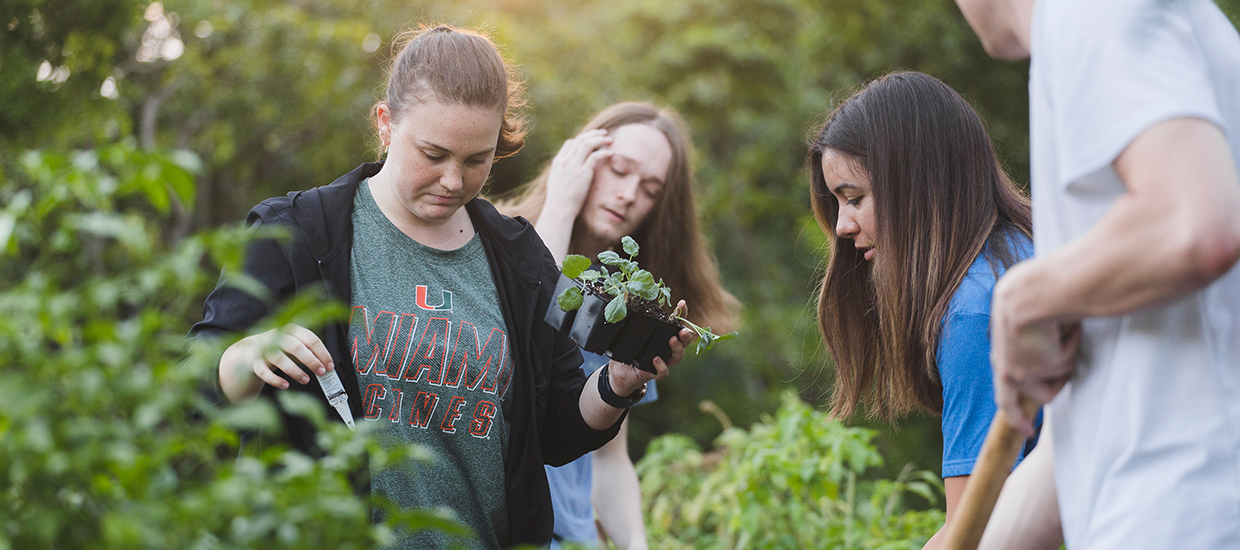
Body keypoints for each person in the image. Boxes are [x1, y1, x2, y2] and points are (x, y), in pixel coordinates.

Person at [189, 25, 694, 550]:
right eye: (433, 154)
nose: (454, 180)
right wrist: (248, 355)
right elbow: (192, 390)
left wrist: (618, 383)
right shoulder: (296, 233)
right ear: (385, 124)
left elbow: (561, 429)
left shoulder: (518, 257)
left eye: (477, 160)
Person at [951, 0, 1240, 548]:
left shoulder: (1089, 8)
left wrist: (1026, 293)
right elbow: (1076, 442)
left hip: (1195, 507)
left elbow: (1194, 220)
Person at [808, 71, 1036, 549]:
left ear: (916, 183)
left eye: (855, 199)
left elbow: (974, 534)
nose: (843, 226)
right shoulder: (1021, 249)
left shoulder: (976, 312)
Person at [495, 102, 740, 549]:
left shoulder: (624, 301)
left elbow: (607, 459)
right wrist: (561, 204)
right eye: (619, 169)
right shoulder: (491, 242)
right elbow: (528, 332)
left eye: (649, 189)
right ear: (577, 159)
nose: (629, 194)